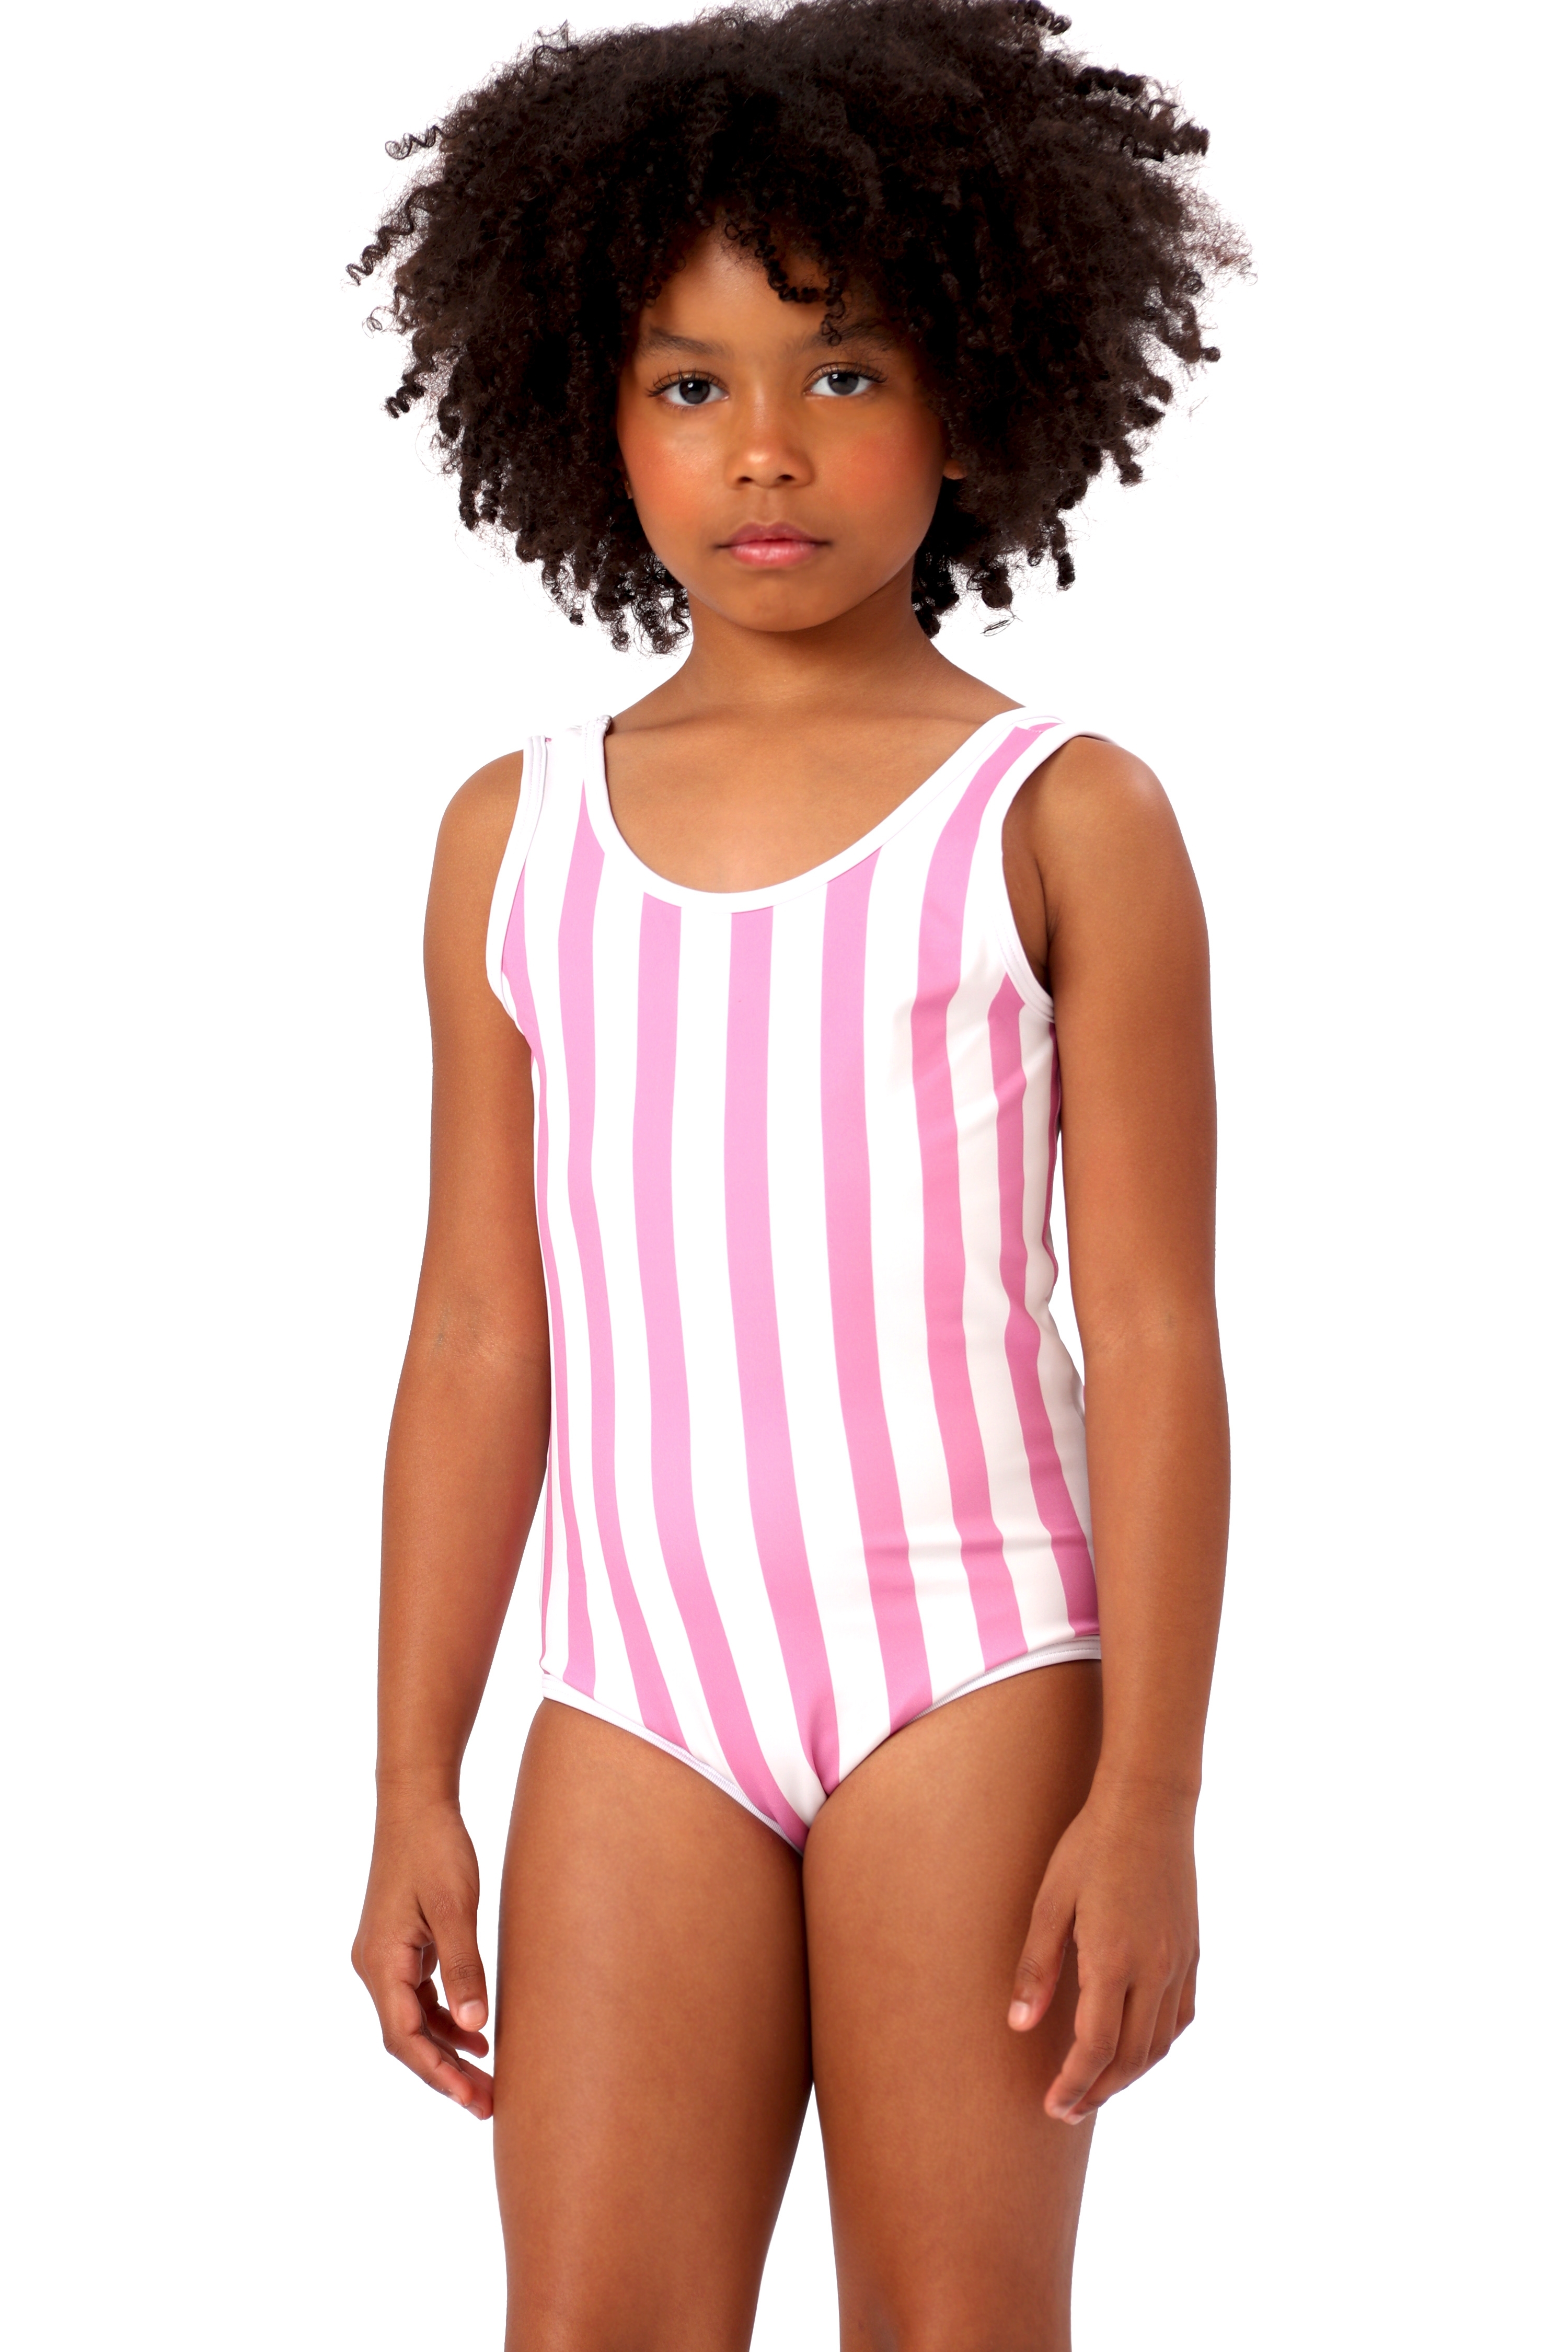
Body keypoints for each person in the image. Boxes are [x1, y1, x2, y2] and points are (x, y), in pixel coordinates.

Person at [349, 4, 1240, 2344]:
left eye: (844, 372)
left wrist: (1151, 1791)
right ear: (591, 408)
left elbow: (1155, 1328)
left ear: (977, 392)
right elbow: (480, 1331)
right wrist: (414, 1774)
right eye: (690, 382)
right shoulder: (515, 838)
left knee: (954, 2322)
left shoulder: (1061, 815)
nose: (767, 447)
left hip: (973, 1666)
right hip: (640, 1688)